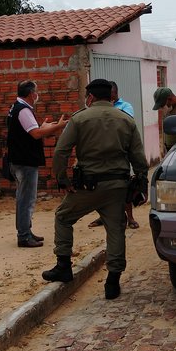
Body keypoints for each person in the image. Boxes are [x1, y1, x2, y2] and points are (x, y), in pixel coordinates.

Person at [42, 78, 149, 300]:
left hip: (87, 186)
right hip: (117, 187)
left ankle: (63, 265)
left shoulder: (80, 118)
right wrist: (141, 183)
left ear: (90, 97)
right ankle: (113, 281)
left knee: (63, 217)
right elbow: (138, 157)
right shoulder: (126, 120)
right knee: (116, 229)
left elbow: (61, 151)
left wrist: (62, 180)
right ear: (111, 96)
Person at [6, 80, 68, 248]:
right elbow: (35, 134)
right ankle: (24, 236)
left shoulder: (16, 107)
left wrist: (45, 127)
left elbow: (31, 131)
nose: (37, 95)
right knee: (26, 199)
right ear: (30, 94)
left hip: (19, 159)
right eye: (35, 92)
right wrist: (58, 126)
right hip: (24, 161)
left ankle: (26, 230)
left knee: (23, 198)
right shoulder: (23, 110)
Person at [88, 81, 140, 229]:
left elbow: (124, 125)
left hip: (120, 152)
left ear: (115, 93)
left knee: (125, 186)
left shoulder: (125, 107)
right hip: (101, 152)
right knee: (100, 186)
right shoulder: (95, 108)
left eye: (109, 95)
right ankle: (103, 216)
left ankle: (130, 218)